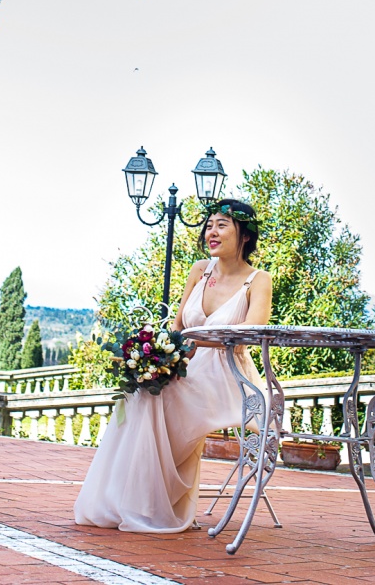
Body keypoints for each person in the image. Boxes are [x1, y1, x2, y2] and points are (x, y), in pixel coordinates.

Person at [74, 198, 273, 533]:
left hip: (229, 376)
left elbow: (251, 335)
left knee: (161, 398)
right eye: (209, 225)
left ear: (245, 234)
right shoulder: (200, 270)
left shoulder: (258, 279)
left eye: (221, 225)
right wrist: (159, 356)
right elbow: (179, 324)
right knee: (142, 392)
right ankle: (128, 501)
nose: (212, 231)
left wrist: (197, 344)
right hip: (188, 366)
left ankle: (155, 504)